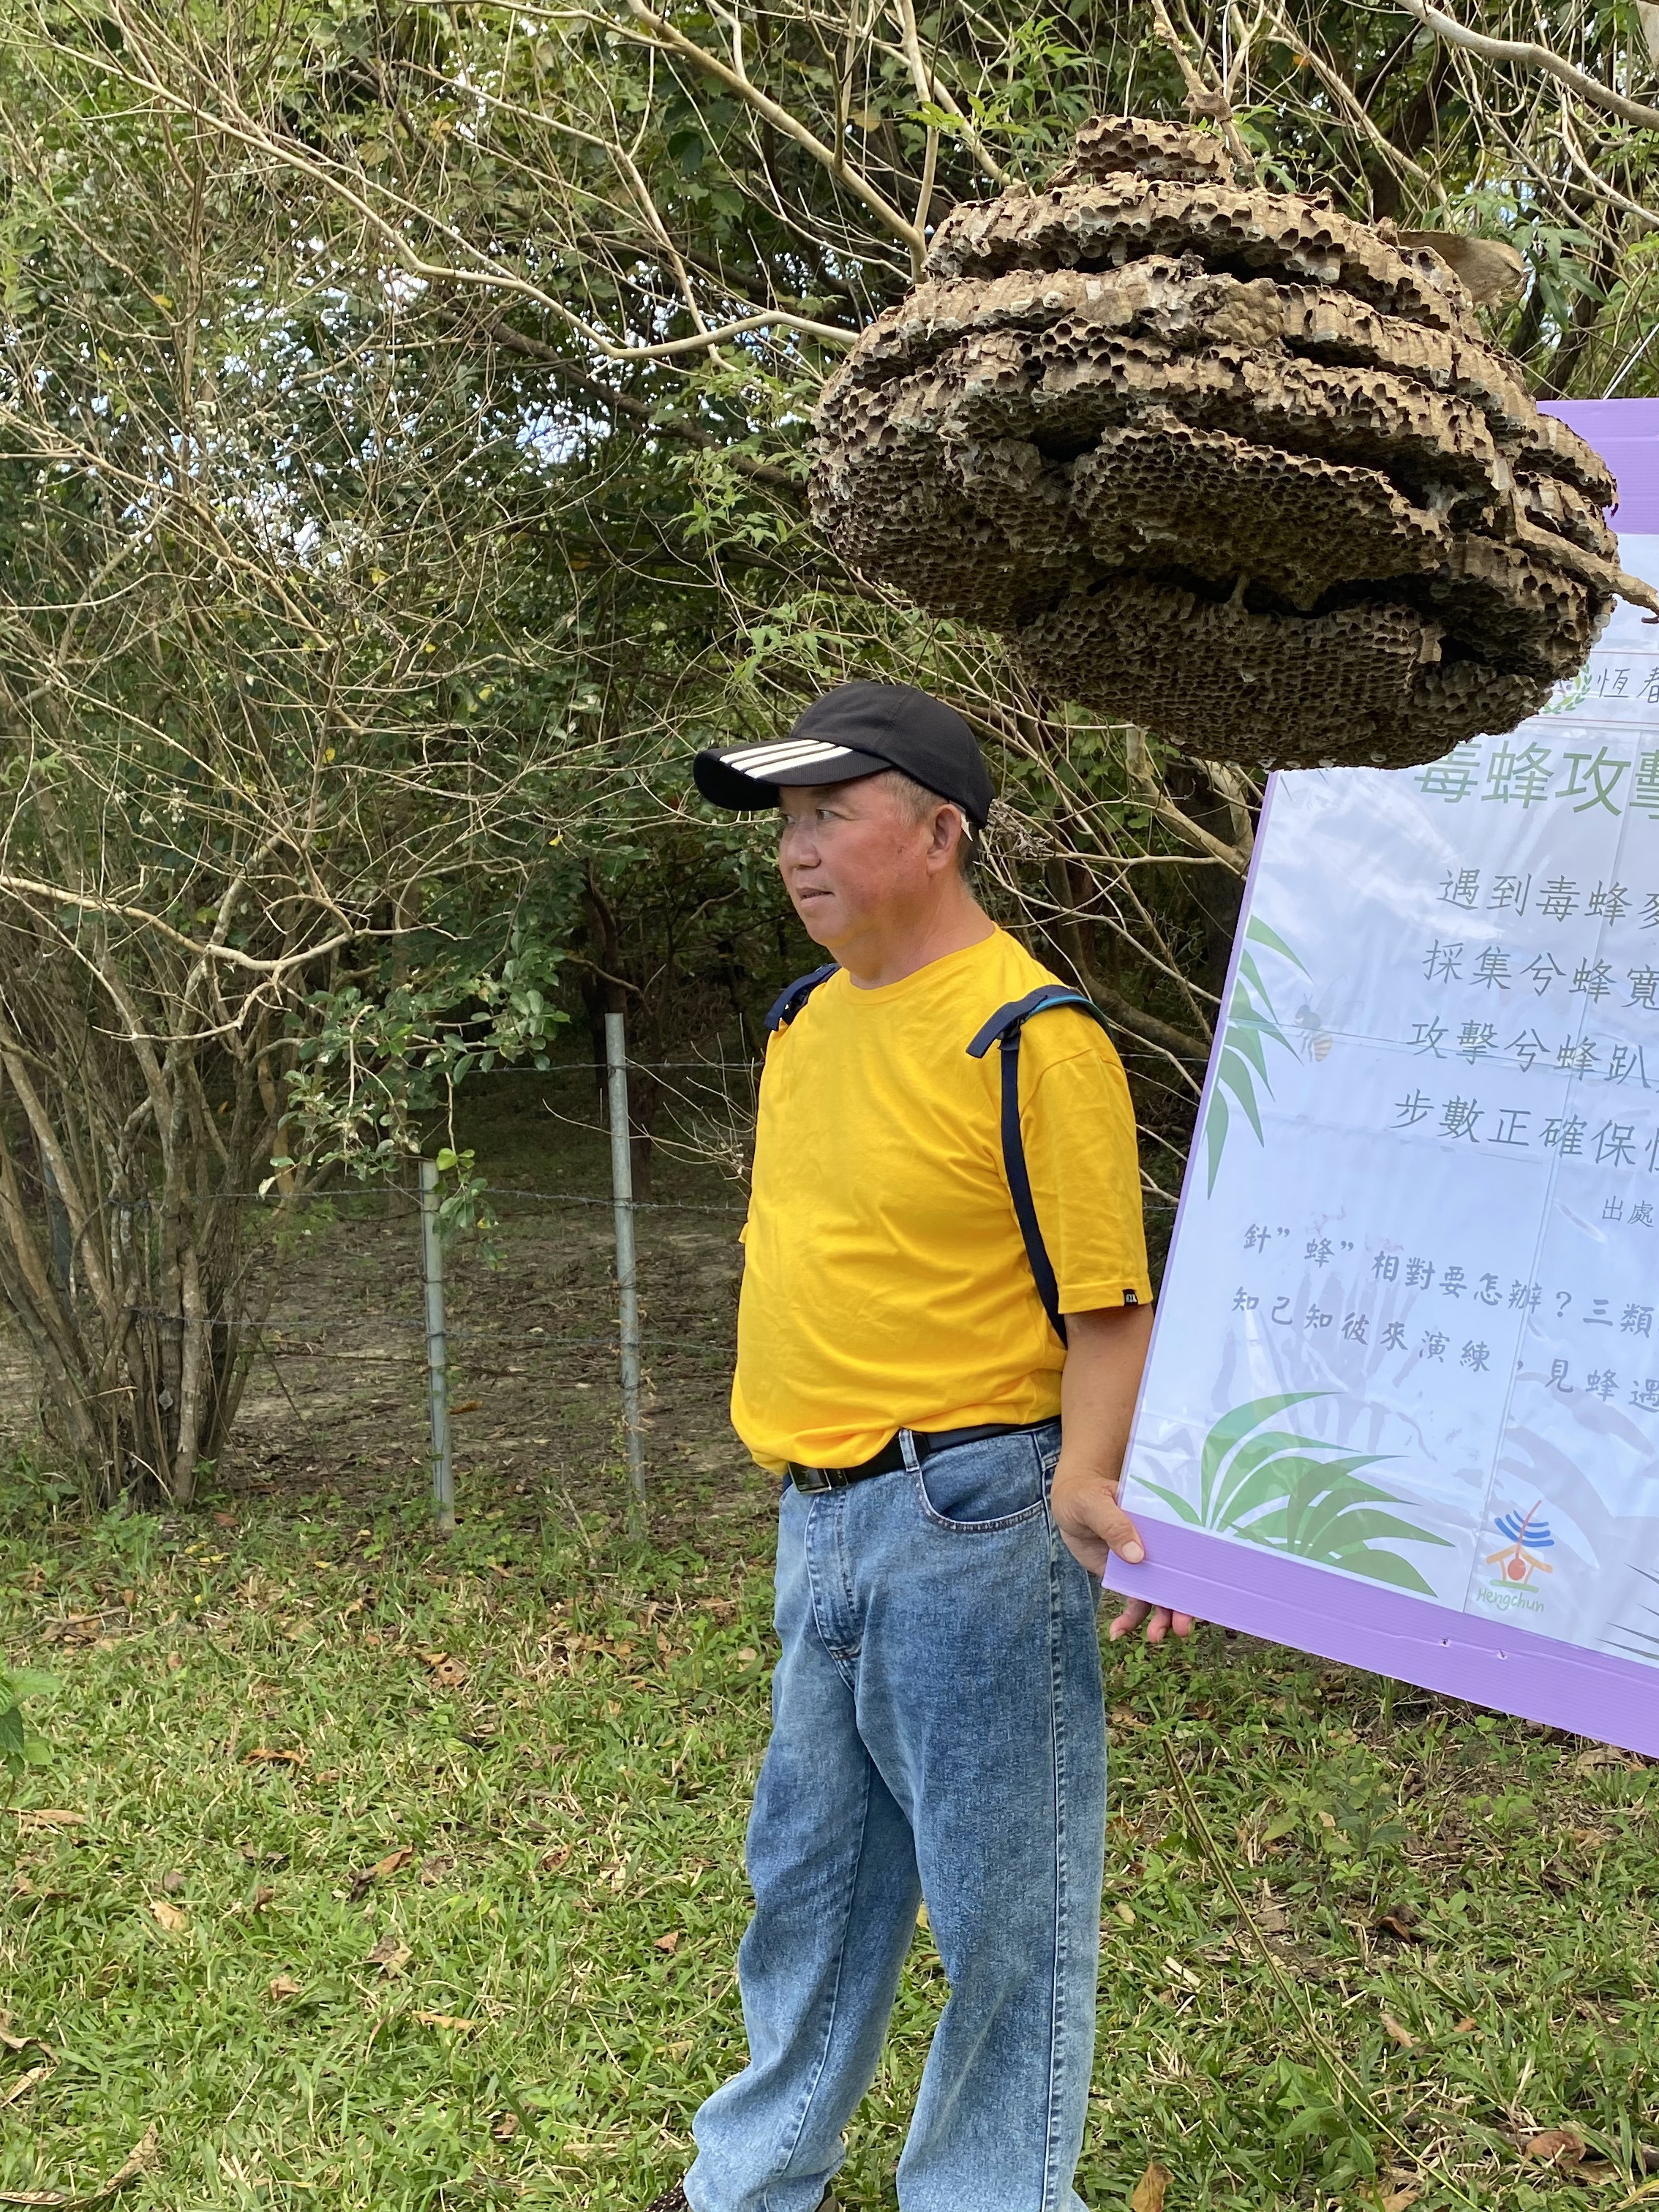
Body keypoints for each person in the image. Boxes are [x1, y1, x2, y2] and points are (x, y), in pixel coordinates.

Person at [660, 682, 1194, 2212]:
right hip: (816, 1515)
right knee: (811, 1885)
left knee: (1003, 1912)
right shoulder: (805, 1023)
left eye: (835, 813)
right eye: (787, 822)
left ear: (942, 831)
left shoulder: (1034, 1037)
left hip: (972, 1517)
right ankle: (752, 2183)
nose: (798, 851)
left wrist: (1093, 1483)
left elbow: (1108, 1306)